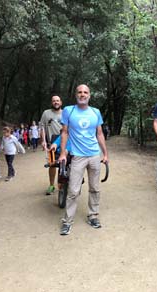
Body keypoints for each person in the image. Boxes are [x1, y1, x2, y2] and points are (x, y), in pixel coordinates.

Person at [58, 84, 108, 235]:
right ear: (76, 95)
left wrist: (105, 154)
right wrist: (62, 153)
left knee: (95, 188)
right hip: (78, 156)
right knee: (73, 190)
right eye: (80, 92)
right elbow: (65, 133)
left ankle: (93, 216)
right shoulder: (68, 110)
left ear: (89, 95)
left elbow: (99, 134)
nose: (82, 94)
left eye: (85, 92)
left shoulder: (95, 112)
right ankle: (67, 221)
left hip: (94, 154)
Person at [40, 95, 63, 195]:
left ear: (61, 102)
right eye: (54, 101)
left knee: (65, 164)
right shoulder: (46, 113)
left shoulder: (65, 113)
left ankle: (63, 185)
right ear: (51, 102)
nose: (56, 102)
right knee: (52, 164)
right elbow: (42, 128)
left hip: (64, 143)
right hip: (51, 144)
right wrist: (43, 141)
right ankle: (51, 185)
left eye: (57, 101)